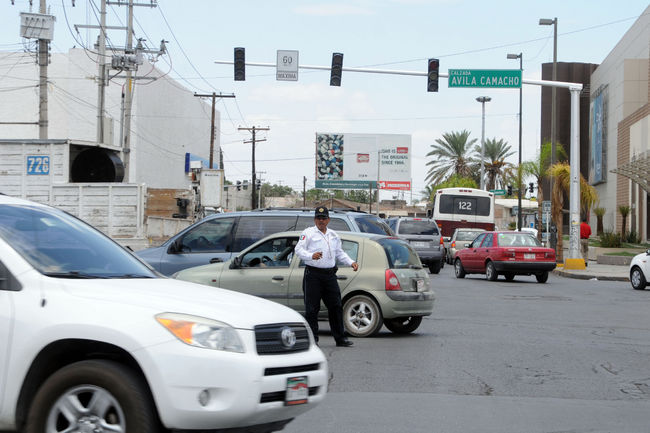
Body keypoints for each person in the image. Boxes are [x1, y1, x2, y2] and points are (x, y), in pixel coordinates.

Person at [295, 206, 358, 347]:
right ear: (314, 219)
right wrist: (311, 255)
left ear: (328, 220)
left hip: (329, 275)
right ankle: (313, 341)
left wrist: (351, 262)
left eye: (323, 218)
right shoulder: (308, 233)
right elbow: (298, 250)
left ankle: (340, 338)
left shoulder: (333, 235)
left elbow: (339, 253)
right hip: (313, 275)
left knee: (336, 306)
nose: (321, 221)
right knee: (312, 309)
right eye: (318, 218)